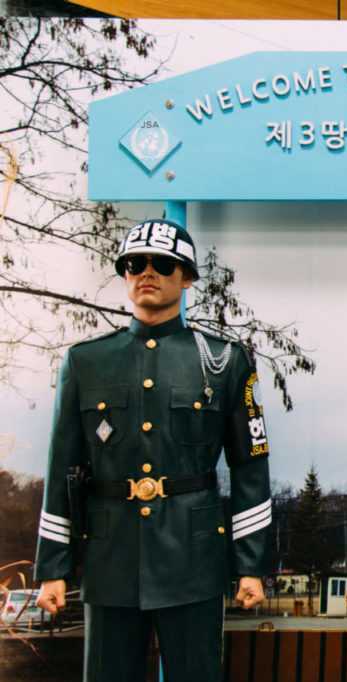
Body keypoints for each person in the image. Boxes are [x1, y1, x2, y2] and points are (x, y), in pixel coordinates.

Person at [33, 218, 273, 681]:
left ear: (186, 278)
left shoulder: (224, 361)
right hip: (110, 558)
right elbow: (62, 465)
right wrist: (53, 567)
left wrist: (251, 564)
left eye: (163, 264)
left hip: (194, 557)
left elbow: (250, 468)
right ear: (124, 275)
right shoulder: (85, 361)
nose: (147, 272)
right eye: (134, 263)